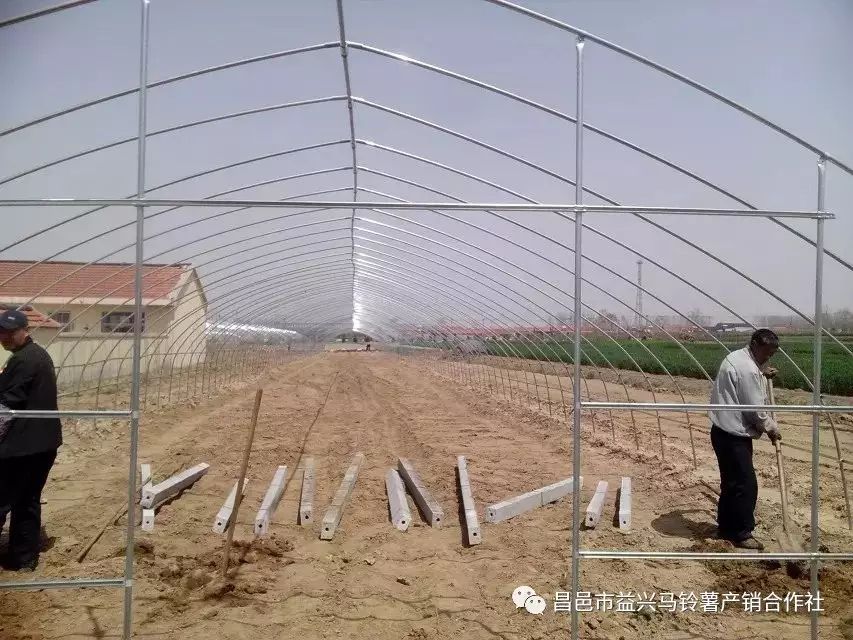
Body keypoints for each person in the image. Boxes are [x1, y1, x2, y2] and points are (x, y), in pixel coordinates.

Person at [0, 309, 62, 571]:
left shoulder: (24, 360)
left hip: (22, 448)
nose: (4, 338)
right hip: (44, 445)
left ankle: (21, 557)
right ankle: (23, 560)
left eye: (9, 333)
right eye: (1, 333)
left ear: (24, 331)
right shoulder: (38, 355)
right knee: (27, 500)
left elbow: (7, 406)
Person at [709, 328, 781, 550]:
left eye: (771, 355)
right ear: (756, 345)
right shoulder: (748, 369)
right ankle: (741, 533)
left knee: (731, 482)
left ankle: (725, 528)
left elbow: (746, 379)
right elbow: (756, 410)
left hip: (722, 430)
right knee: (745, 484)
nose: (768, 358)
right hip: (733, 434)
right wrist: (770, 428)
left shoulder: (739, 357)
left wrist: (761, 372)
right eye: (766, 353)